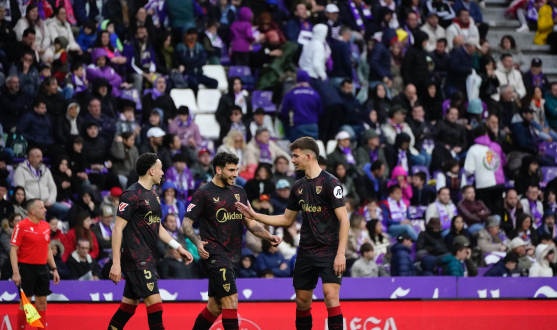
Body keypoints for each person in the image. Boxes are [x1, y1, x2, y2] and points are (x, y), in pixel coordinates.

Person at [236, 137, 349, 330]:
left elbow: (344, 220)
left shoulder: (332, 183)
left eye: (295, 156)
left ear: (308, 156)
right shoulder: (298, 187)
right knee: (302, 302)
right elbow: (286, 219)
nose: (293, 160)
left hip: (329, 250)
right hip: (305, 251)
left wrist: (340, 253)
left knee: (331, 297)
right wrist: (255, 215)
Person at [182, 152, 278, 330]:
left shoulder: (239, 192)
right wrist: (196, 242)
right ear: (218, 170)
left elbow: (249, 222)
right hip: (215, 256)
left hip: (233, 255)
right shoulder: (203, 193)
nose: (235, 174)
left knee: (215, 306)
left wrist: (268, 236)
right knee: (231, 301)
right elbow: (186, 223)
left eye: (237, 170)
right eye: (231, 170)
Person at [107, 153, 193, 330]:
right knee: (156, 304)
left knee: (128, 307)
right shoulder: (130, 195)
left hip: (147, 257)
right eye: (161, 169)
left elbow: (158, 227)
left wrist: (178, 247)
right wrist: (116, 264)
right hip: (136, 258)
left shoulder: (154, 195)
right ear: (151, 170)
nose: (163, 173)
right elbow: (117, 229)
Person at [10, 199, 60, 330]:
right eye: (42, 208)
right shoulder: (21, 226)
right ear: (32, 211)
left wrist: (54, 268)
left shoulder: (46, 226)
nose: (45, 210)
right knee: (26, 303)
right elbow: (13, 250)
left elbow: (48, 248)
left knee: (42, 304)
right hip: (26, 268)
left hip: (43, 268)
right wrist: (16, 272)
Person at [14, 148, 69, 221]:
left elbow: (53, 187)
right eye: (38, 157)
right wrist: (36, 202)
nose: (41, 159)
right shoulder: (21, 170)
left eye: (41, 157)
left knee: (65, 210)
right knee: (42, 219)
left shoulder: (45, 170)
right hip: (31, 204)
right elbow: (20, 189)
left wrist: (50, 200)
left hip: (47, 202)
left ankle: (55, 228)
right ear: (30, 158)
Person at [464, 126, 506, 210]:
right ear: (486, 134)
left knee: (485, 212)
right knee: (497, 210)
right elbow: (504, 162)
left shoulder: (473, 149)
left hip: (483, 185)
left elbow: (468, 170)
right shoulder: (496, 146)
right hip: (499, 184)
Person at [280, 70, 322, 141]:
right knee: (311, 150)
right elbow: (320, 111)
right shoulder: (315, 93)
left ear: (297, 79)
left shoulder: (291, 93)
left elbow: (284, 111)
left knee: (298, 150)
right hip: (313, 126)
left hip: (298, 126)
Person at [175, 27, 218, 95]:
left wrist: (190, 63)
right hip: (187, 73)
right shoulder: (180, 47)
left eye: (194, 34)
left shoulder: (200, 47)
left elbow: (203, 61)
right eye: (190, 34)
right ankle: (195, 101)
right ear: (186, 35)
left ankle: (207, 99)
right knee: (194, 83)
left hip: (199, 73)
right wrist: (197, 59)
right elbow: (184, 60)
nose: (192, 37)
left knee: (214, 82)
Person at [123, 26, 158, 92]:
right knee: (139, 78)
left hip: (147, 71)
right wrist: (145, 75)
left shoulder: (148, 44)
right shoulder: (130, 45)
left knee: (159, 77)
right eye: (141, 33)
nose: (144, 35)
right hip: (133, 72)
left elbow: (152, 60)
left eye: (145, 32)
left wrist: (151, 73)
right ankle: (137, 99)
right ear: (136, 35)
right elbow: (131, 65)